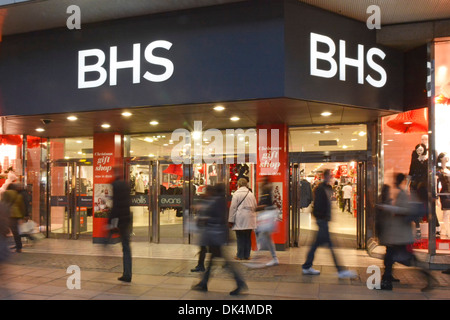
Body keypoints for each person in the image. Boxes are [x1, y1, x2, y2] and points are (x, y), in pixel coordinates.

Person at [376, 173, 437, 291]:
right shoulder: (401, 192)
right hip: (399, 234)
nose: (394, 181)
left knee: (405, 259)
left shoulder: (403, 194)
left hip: (401, 235)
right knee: (391, 257)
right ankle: (387, 280)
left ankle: (427, 277)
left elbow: (404, 211)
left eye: (395, 179)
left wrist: (388, 208)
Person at [192, 184, 248, 295]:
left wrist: (202, 211)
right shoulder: (220, 200)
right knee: (212, 261)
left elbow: (212, 216)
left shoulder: (216, 201)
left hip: (215, 236)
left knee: (224, 262)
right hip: (217, 236)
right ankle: (204, 282)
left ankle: (240, 282)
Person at [302, 169, 357, 279]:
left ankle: (307, 266)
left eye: (331, 176)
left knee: (316, 245)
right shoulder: (320, 189)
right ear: (325, 176)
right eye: (329, 176)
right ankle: (340, 270)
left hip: (323, 220)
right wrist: (321, 217)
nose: (331, 177)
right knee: (331, 246)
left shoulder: (327, 188)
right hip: (322, 221)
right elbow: (317, 204)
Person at [109, 167, 132, 283]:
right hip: (127, 219)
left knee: (125, 247)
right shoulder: (126, 185)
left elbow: (115, 205)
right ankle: (127, 273)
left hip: (121, 220)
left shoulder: (115, 185)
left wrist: (111, 221)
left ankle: (127, 274)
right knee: (127, 247)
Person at [228, 178, 257, 260]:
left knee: (240, 237)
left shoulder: (236, 194)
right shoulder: (251, 194)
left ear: (238, 185)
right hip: (250, 218)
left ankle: (240, 255)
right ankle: (247, 255)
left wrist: (230, 220)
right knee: (248, 237)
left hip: (240, 218)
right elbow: (255, 205)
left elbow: (233, 208)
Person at [253, 176, 279, 267]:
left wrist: (256, 208)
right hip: (267, 218)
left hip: (266, 218)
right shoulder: (267, 190)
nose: (260, 182)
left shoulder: (266, 191)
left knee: (261, 237)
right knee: (267, 239)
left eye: (262, 180)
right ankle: (274, 258)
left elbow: (265, 204)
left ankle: (256, 257)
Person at [190, 185, 215, 273]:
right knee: (205, 248)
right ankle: (201, 266)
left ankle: (201, 266)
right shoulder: (207, 200)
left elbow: (207, 214)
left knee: (205, 249)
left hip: (208, 229)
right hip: (206, 229)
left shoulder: (211, 202)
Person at [2, 183, 26, 253]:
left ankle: (4, 247)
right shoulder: (19, 195)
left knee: (4, 231)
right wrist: (22, 216)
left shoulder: (6, 193)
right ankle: (19, 246)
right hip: (16, 215)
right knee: (16, 232)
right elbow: (22, 206)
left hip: (7, 214)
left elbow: (3, 203)